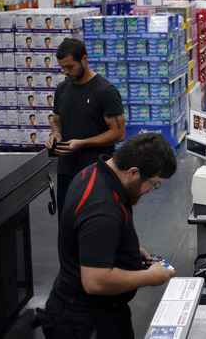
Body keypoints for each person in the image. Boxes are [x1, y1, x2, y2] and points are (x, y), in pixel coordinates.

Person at [36, 133, 177, 339]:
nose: (151, 190)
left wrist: (122, 249)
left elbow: (86, 238)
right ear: (133, 172)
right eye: (154, 183)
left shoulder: (92, 172)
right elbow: (95, 281)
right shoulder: (103, 208)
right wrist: (148, 277)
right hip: (85, 324)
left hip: (94, 311)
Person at [47, 38, 125, 218]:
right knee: (67, 225)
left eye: (70, 67)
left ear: (84, 59)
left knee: (93, 223)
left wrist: (82, 143)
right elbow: (57, 120)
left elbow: (118, 133)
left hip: (96, 171)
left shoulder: (105, 91)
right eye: (62, 68)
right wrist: (55, 134)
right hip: (66, 171)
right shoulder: (62, 89)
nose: (66, 72)